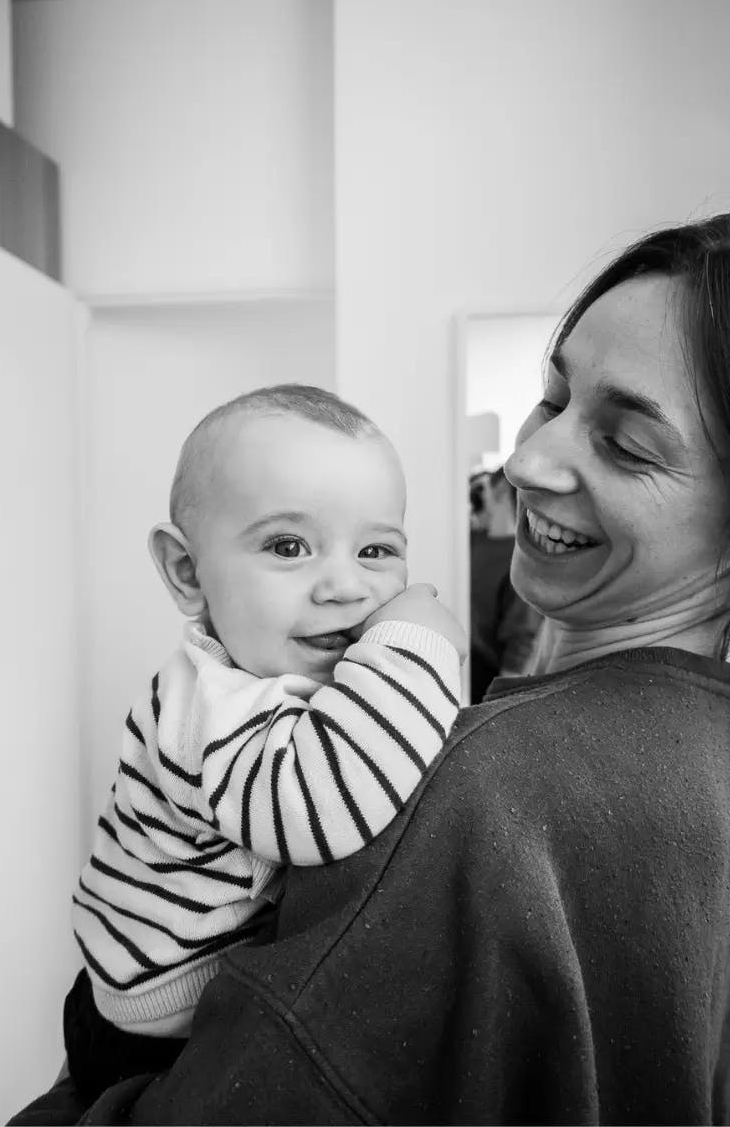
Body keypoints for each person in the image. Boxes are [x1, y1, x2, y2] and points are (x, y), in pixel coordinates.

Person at [12, 210, 730, 1125]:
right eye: (554, 397)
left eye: (628, 442)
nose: (526, 459)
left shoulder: (502, 784)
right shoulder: (724, 755)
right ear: (186, 569)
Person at [62, 384, 466, 1101]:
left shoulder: (286, 675)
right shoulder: (209, 703)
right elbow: (320, 809)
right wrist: (419, 643)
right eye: (288, 546)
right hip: (149, 1025)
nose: (345, 586)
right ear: (188, 573)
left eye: (376, 550)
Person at [470, 466, 541, 699]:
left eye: (486, 489)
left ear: (500, 488)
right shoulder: (471, 542)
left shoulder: (522, 556)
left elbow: (522, 638)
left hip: (488, 676)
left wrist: (501, 700)